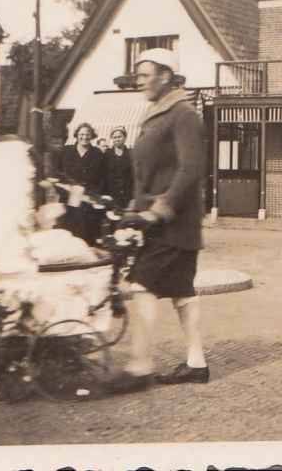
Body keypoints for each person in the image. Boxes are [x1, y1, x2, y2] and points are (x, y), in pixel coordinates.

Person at [107, 48, 208, 394]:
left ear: (166, 76)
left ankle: (139, 366)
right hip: (157, 221)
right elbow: (146, 171)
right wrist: (133, 212)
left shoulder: (183, 115)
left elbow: (191, 168)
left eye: (145, 75)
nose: (139, 81)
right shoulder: (157, 113)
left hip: (173, 222)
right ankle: (197, 364)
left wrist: (159, 209)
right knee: (182, 293)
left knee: (142, 287)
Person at [59, 122, 105, 246]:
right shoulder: (67, 151)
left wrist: (96, 195)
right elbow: (60, 174)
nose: (84, 137)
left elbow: (102, 177)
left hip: (89, 197)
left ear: (92, 136)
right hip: (70, 196)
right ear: (76, 135)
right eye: (81, 134)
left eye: (87, 134)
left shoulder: (97, 153)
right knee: (71, 228)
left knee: (88, 230)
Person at [103, 126, 134, 209]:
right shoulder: (107, 154)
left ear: (125, 137)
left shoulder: (132, 154)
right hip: (111, 194)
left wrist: (133, 197)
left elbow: (135, 176)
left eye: (119, 137)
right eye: (114, 137)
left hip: (128, 195)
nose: (117, 139)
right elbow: (103, 176)